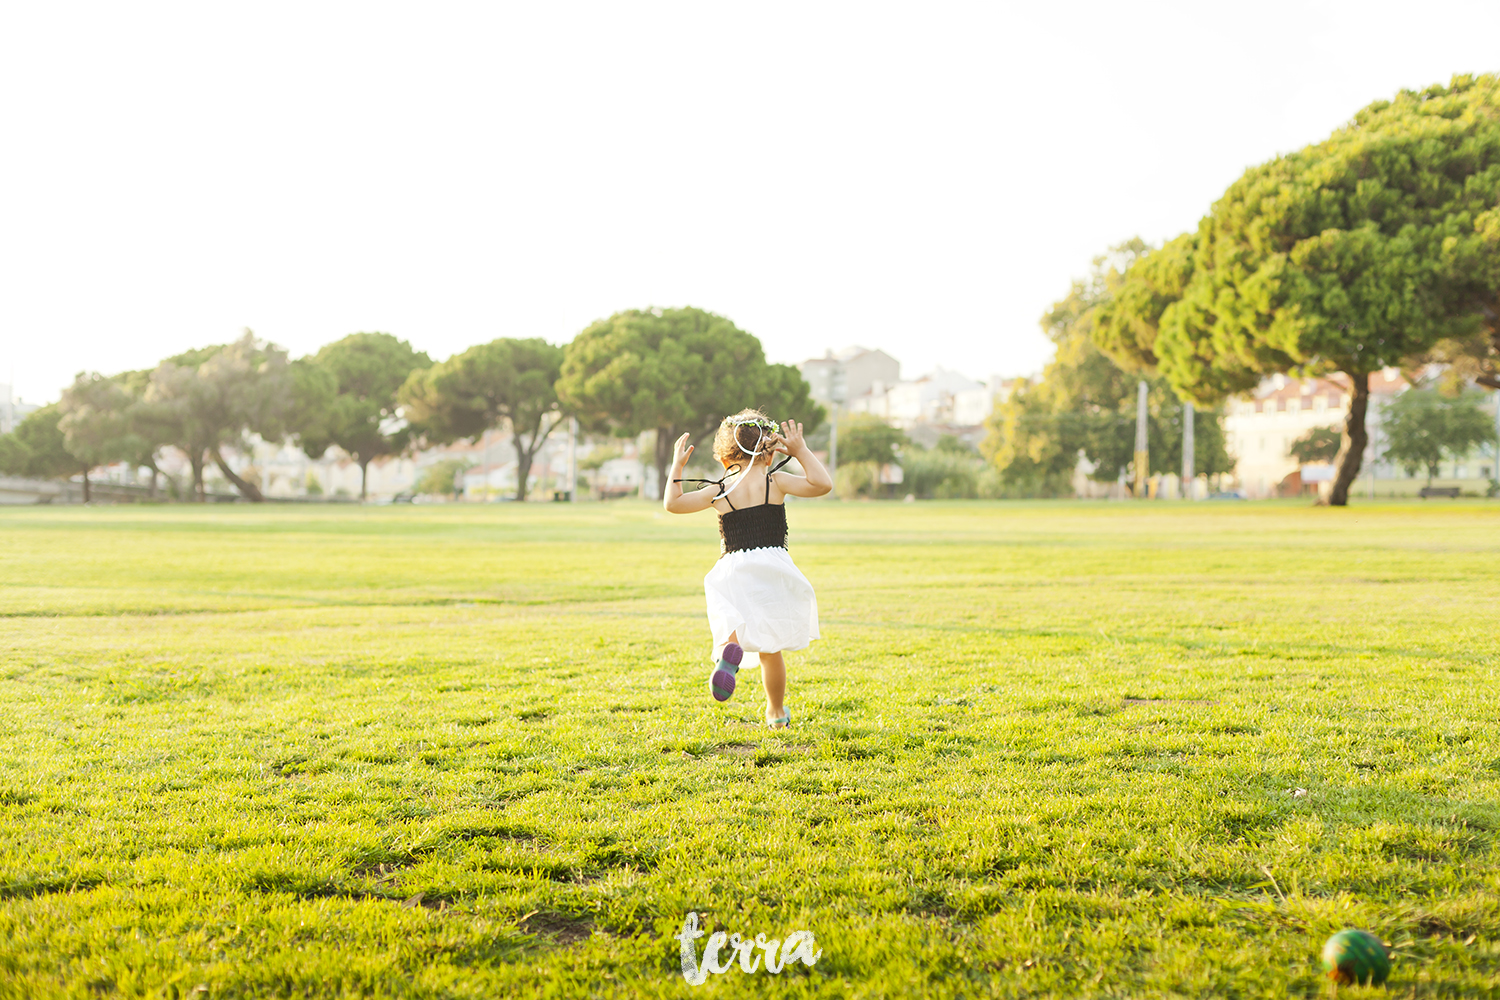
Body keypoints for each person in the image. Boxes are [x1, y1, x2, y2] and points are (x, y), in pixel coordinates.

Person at [663, 410, 833, 729]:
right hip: (772, 569)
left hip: (735, 569)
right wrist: (800, 451)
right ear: (769, 453)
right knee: (771, 650)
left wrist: (677, 465)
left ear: (725, 457)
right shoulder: (776, 481)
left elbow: (673, 504)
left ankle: (729, 650)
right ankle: (777, 712)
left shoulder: (720, 489)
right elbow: (822, 484)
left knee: (730, 618)